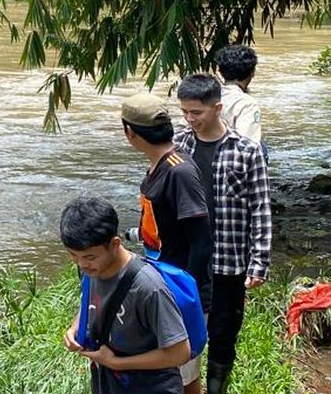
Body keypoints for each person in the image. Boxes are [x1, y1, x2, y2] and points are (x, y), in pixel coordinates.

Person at [173, 74, 271, 394]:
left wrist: (259, 263)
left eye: (196, 112)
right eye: (185, 112)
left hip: (229, 260)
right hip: (188, 260)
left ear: (218, 108)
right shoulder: (180, 144)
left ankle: (216, 388)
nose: (190, 119)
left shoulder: (246, 151)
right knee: (185, 328)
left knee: (224, 332)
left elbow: (260, 207)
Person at [120, 93, 212, 394]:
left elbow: (202, 240)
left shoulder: (178, 171)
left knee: (185, 376)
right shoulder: (162, 165)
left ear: (130, 132)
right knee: (171, 374)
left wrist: (187, 293)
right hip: (164, 283)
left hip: (181, 291)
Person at [61, 196, 191, 394]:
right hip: (110, 383)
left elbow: (180, 353)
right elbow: (91, 300)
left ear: (115, 244)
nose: (81, 264)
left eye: (89, 257)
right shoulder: (90, 270)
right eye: (73, 256)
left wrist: (117, 363)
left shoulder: (148, 286)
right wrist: (75, 327)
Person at [216, 44, 263, 146]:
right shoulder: (247, 104)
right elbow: (249, 144)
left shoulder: (208, 95)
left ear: (221, 71)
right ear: (252, 72)